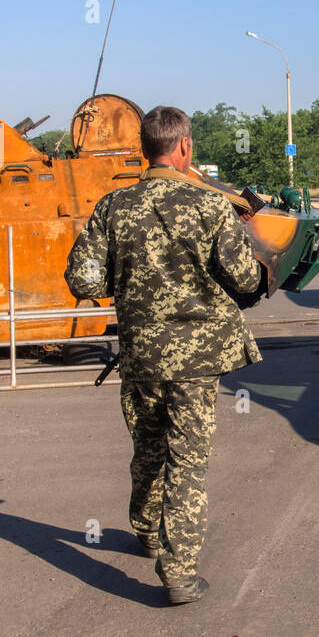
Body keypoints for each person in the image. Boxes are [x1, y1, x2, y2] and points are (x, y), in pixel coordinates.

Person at [65, 106, 263, 605]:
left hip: (141, 356)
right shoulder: (211, 206)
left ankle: (148, 531)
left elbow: (82, 279)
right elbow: (245, 281)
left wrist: (129, 283)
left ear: (143, 149)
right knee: (187, 462)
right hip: (197, 362)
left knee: (148, 448)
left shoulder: (113, 207)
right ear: (184, 148)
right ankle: (178, 573)